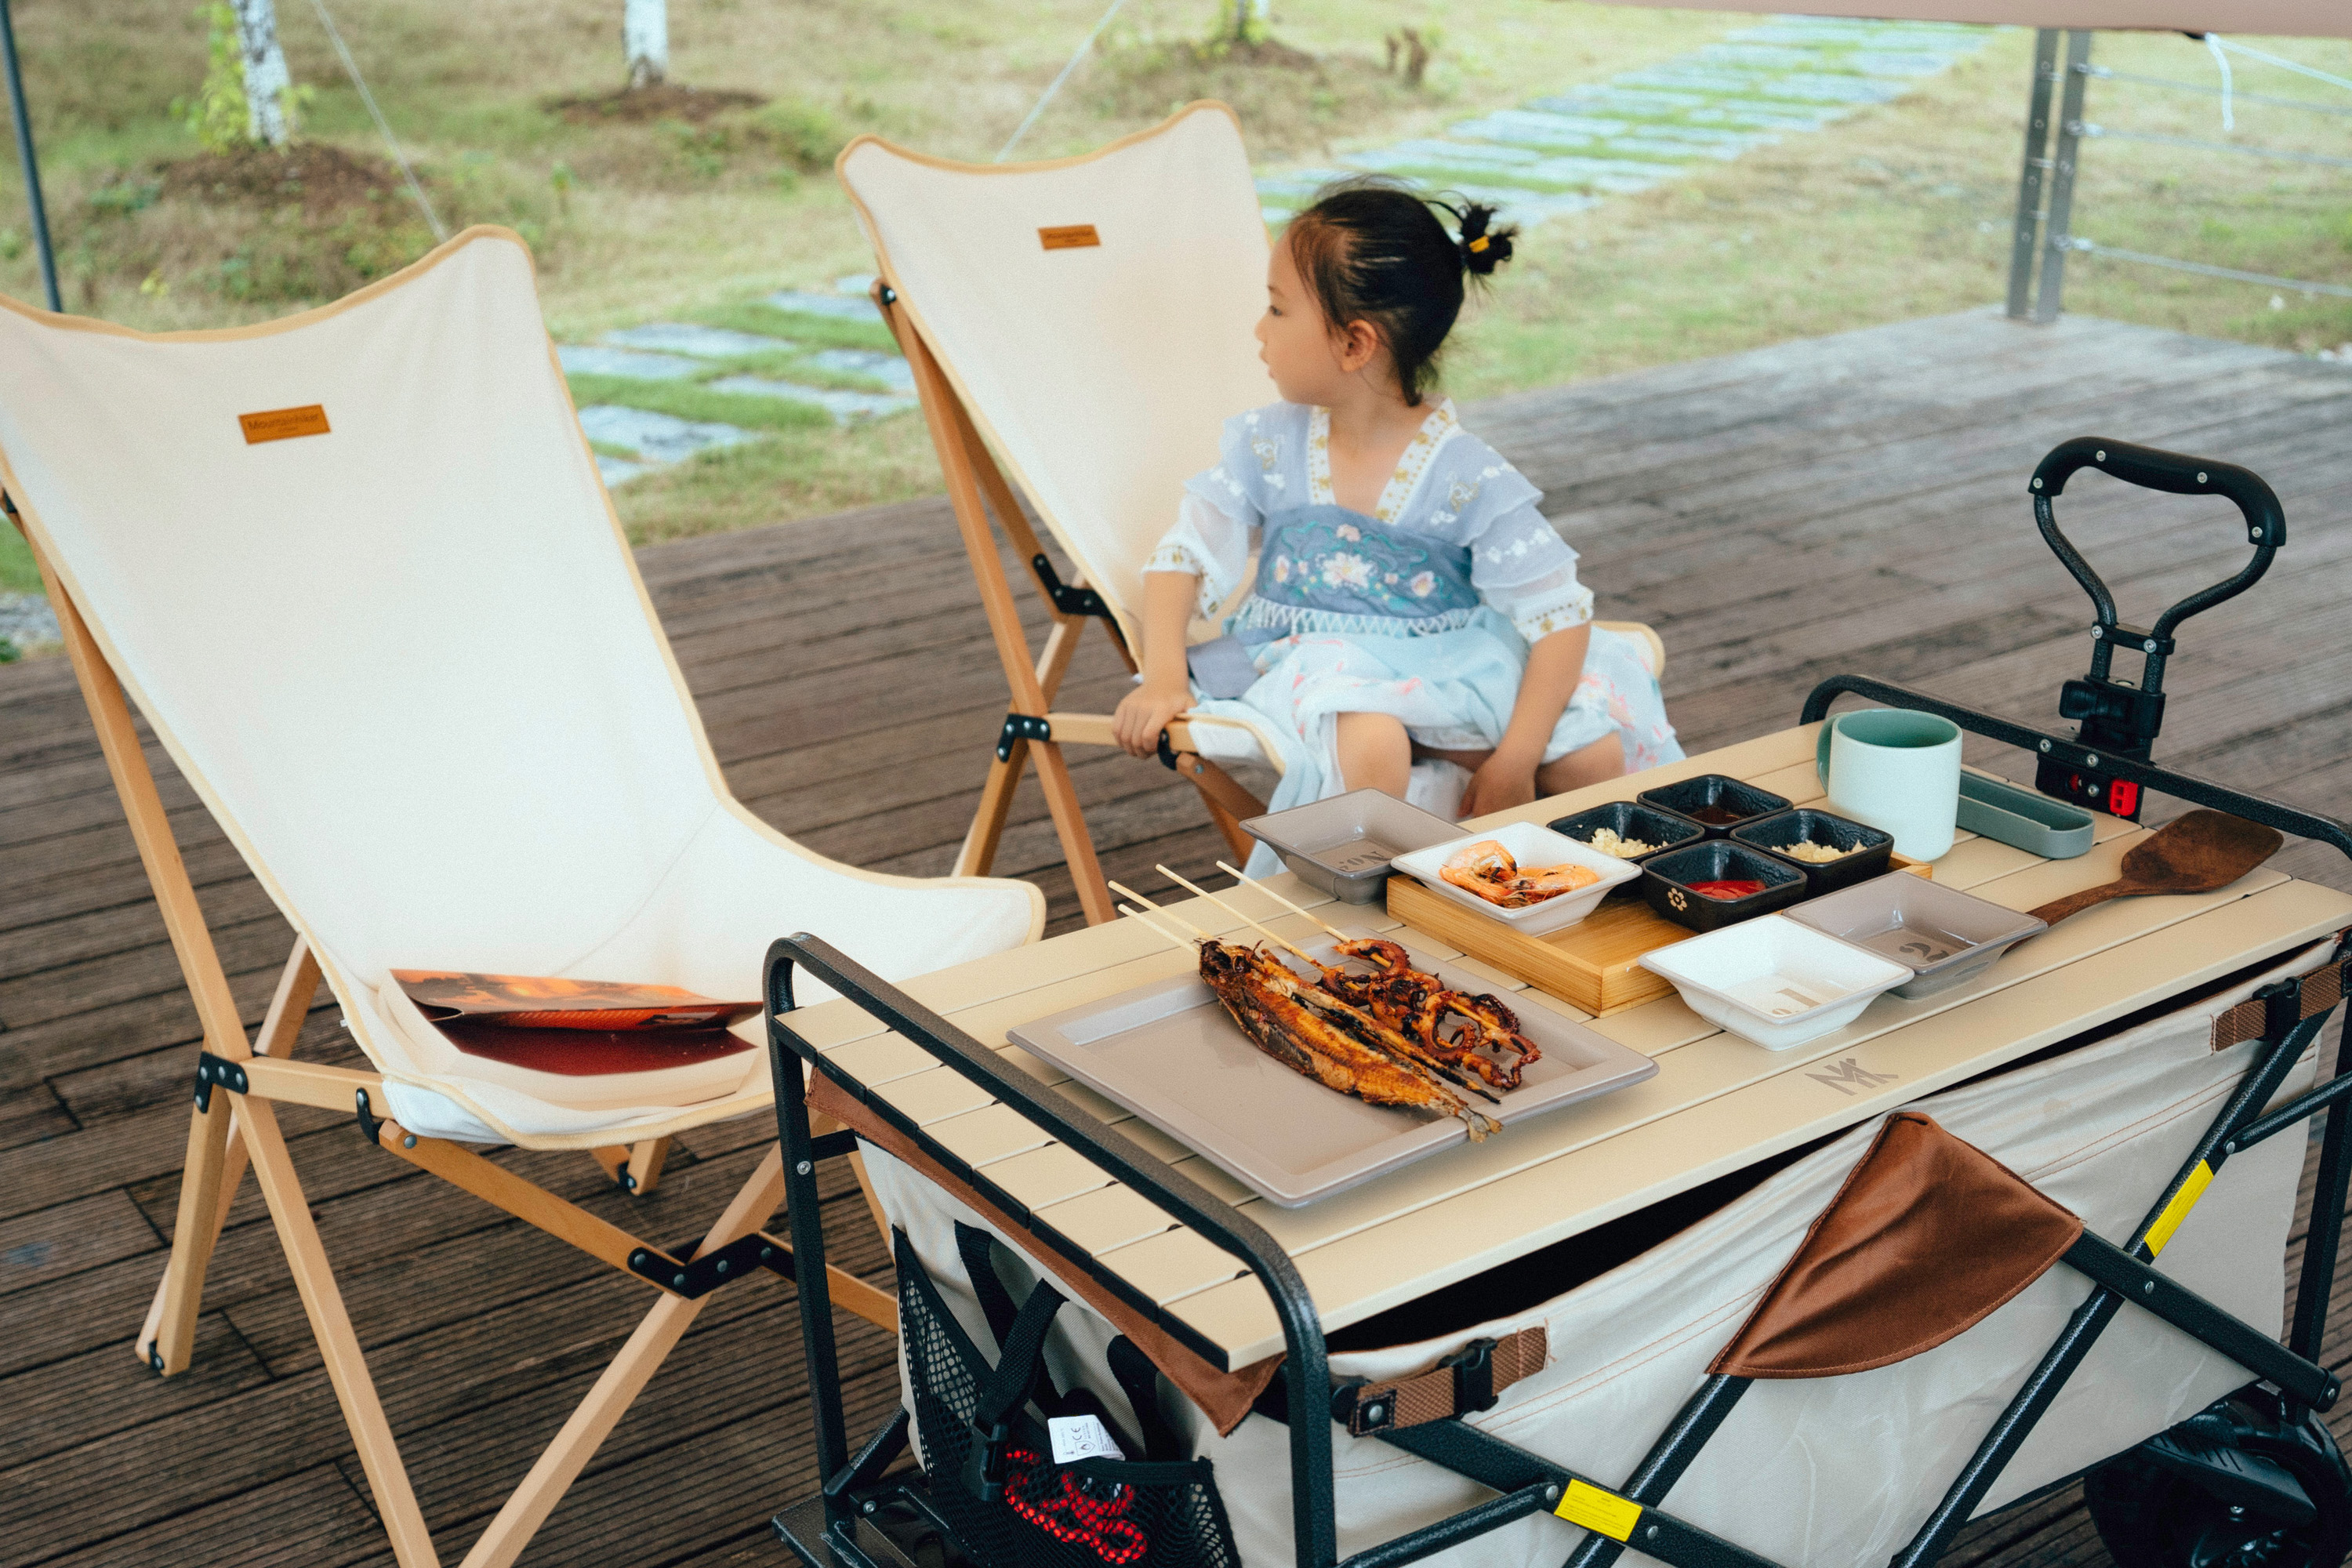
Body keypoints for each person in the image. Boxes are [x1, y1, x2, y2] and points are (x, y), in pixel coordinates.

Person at [1111, 178, 1680, 859]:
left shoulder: (1466, 474)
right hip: (1311, 657)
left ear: (1355, 344)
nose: (1259, 332)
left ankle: (1539, 894)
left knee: (1589, 758)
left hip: (1441, 662)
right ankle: (1368, 911)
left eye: (1276, 310)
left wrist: (1514, 761)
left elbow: (1559, 617)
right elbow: (1183, 558)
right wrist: (1167, 677)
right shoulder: (1269, 447)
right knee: (1371, 733)